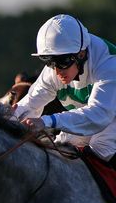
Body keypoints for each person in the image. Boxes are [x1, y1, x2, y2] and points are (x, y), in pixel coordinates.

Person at [14, 14, 116, 164]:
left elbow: (98, 115)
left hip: (106, 114)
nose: (56, 71)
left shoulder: (109, 65)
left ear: (81, 54)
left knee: (101, 148)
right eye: (49, 62)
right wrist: (5, 120)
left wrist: (47, 121)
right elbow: (29, 104)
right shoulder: (56, 68)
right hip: (97, 116)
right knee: (62, 146)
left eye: (61, 62)